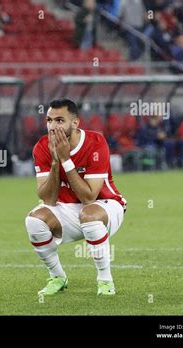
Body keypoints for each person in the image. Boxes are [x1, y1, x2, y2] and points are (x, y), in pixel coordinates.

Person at [25, 98, 126, 296]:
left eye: (60, 121)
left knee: (89, 214)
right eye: (49, 120)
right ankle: (58, 277)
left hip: (105, 205)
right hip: (69, 208)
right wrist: (56, 162)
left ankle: (105, 281)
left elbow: (89, 197)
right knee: (34, 221)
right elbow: (48, 199)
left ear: (75, 123)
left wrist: (66, 159)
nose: (53, 127)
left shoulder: (96, 142)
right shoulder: (42, 147)